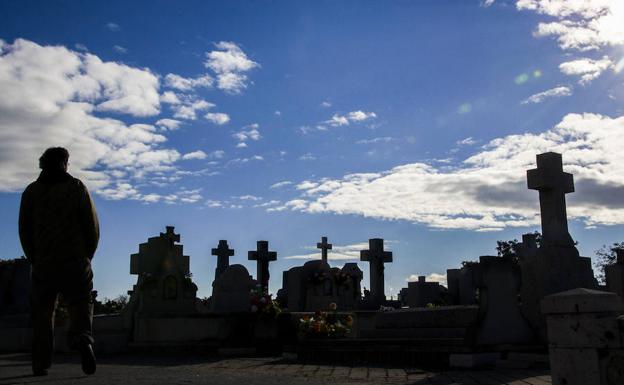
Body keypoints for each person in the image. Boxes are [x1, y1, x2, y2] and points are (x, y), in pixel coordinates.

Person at [19, 147, 99, 376]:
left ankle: (41, 363)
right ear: (64, 163)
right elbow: (91, 226)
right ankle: (83, 339)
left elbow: (24, 229)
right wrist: (87, 256)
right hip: (75, 260)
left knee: (43, 313)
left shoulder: (32, 192)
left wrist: (34, 257)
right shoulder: (76, 188)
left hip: (44, 262)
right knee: (81, 304)